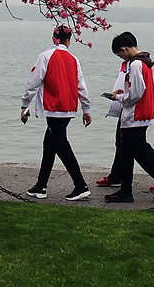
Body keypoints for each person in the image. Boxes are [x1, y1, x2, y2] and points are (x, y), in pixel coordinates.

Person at [21, 25, 92, 201]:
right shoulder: (74, 59)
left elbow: (33, 82)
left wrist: (24, 104)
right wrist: (86, 108)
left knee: (60, 145)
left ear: (53, 38)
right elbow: (81, 86)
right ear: (68, 40)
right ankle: (41, 185)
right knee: (50, 145)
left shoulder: (45, 56)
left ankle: (81, 185)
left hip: (52, 107)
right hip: (68, 108)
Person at [102, 31, 154, 203]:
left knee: (135, 151)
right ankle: (132, 188)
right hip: (144, 113)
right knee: (137, 149)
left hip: (135, 114)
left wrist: (118, 97)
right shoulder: (145, 62)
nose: (121, 57)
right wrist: (125, 91)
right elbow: (138, 88)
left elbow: (135, 93)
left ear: (124, 49)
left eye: (119, 54)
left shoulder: (135, 65)